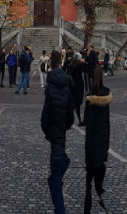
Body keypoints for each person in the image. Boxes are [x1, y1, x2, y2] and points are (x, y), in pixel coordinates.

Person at [42, 50, 75, 214]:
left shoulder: (49, 86)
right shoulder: (67, 83)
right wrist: (66, 125)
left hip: (54, 131)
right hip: (61, 129)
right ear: (61, 62)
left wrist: (47, 130)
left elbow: (46, 112)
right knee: (60, 163)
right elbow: (71, 109)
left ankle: (60, 211)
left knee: (55, 173)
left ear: (50, 63)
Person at [84, 67, 112, 213]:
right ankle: (101, 199)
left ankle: (88, 210)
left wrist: (87, 153)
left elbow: (89, 128)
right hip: (102, 144)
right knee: (99, 183)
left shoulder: (91, 100)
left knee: (88, 185)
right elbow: (107, 124)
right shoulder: (106, 97)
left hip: (93, 145)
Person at [69, 52, 86, 126]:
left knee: (74, 103)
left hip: (72, 85)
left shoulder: (70, 65)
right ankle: (79, 120)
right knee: (77, 103)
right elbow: (86, 69)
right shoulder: (80, 65)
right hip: (78, 85)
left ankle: (70, 118)